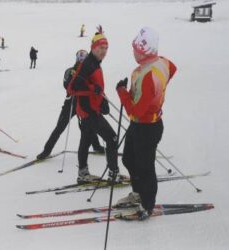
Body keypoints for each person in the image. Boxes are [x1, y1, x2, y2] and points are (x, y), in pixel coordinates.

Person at [115, 27, 177, 220]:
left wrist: (122, 92)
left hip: (147, 127)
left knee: (145, 167)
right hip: (139, 124)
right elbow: (172, 69)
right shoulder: (162, 62)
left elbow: (135, 110)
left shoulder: (148, 76)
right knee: (128, 159)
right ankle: (138, 192)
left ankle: (147, 206)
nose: (133, 52)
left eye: (136, 49)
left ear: (145, 51)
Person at [67, 26, 119, 184]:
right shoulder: (88, 64)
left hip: (89, 109)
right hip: (89, 111)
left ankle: (83, 173)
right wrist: (93, 90)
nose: (104, 51)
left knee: (86, 139)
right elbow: (73, 87)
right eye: (100, 48)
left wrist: (101, 98)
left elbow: (94, 86)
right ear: (93, 48)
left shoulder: (95, 62)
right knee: (112, 139)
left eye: (106, 48)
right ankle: (113, 173)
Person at [37, 49, 105, 160]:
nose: (82, 63)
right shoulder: (70, 71)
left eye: (84, 61)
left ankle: (96, 146)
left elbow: (95, 87)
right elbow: (67, 85)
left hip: (83, 103)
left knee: (89, 125)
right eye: (80, 61)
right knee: (60, 127)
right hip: (70, 104)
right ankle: (46, 150)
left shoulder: (90, 71)